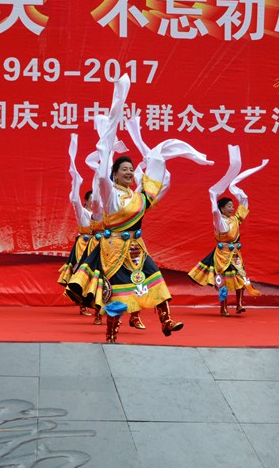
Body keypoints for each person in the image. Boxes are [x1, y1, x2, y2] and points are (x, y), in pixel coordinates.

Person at [67, 75, 212, 343]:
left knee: (155, 278)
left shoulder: (138, 197)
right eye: (124, 169)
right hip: (112, 249)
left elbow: (160, 184)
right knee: (117, 292)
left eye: (131, 169)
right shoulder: (109, 194)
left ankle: (166, 320)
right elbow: (101, 176)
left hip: (136, 247)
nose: (129, 172)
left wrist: (156, 157)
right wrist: (110, 129)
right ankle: (111, 333)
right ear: (115, 174)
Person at [188, 145, 268, 316]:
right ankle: (223, 307)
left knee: (240, 277)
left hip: (236, 254)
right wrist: (213, 197)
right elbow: (215, 212)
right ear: (222, 208)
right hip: (222, 255)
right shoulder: (220, 222)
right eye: (229, 206)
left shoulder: (235, 219)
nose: (232, 208)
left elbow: (244, 203)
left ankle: (239, 304)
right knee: (222, 281)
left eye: (232, 205)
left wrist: (236, 189)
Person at [58, 134, 105, 321]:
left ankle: (98, 307)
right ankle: (82, 303)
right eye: (91, 199)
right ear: (86, 202)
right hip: (84, 245)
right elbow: (75, 201)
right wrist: (75, 181)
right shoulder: (83, 212)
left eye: (96, 199)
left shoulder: (103, 213)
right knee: (80, 272)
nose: (94, 202)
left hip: (101, 245)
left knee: (99, 275)